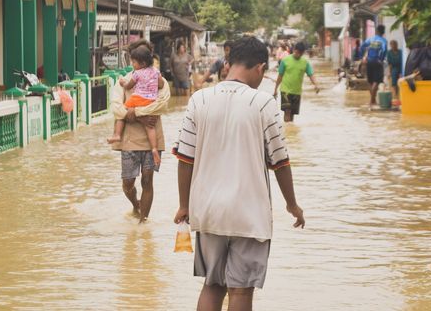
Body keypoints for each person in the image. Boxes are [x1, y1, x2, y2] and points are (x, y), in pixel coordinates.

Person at [173, 37, 305, 311]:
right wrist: (292, 205)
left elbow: (185, 159)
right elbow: (280, 162)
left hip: (208, 210)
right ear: (259, 67)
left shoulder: (199, 99)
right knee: (241, 291)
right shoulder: (264, 104)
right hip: (249, 214)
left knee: (212, 285)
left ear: (229, 62)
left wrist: (184, 204)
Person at [111, 40, 171, 223]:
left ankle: (143, 221)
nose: (133, 64)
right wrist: (140, 116)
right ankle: (136, 205)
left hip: (152, 137)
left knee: (147, 180)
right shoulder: (125, 81)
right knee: (128, 183)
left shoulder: (159, 80)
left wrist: (133, 113)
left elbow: (163, 104)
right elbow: (116, 108)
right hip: (129, 139)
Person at [108, 45, 165, 166]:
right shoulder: (156, 72)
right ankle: (154, 148)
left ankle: (117, 134)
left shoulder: (136, 74)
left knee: (122, 111)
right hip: (150, 102)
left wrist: (123, 83)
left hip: (138, 99)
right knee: (150, 127)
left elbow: (128, 88)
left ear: (142, 62)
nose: (132, 64)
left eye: (133, 61)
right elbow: (161, 86)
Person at [273, 41, 320, 122]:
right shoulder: (285, 60)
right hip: (285, 90)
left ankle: (290, 132)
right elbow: (280, 76)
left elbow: (311, 74)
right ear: (294, 50)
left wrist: (316, 85)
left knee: (292, 114)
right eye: (297, 52)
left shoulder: (305, 63)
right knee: (287, 112)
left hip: (297, 92)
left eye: (300, 53)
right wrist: (275, 89)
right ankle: (287, 132)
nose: (298, 54)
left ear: (302, 53)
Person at [360, 25, 388, 106]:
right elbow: (384, 50)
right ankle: (372, 100)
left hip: (369, 61)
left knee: (370, 81)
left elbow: (362, 47)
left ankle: (373, 100)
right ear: (383, 32)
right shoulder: (383, 40)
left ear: (377, 31)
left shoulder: (370, 39)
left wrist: (363, 57)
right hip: (377, 62)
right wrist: (381, 59)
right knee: (377, 81)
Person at [386, 40, 403, 105]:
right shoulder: (389, 53)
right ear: (390, 46)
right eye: (392, 45)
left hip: (400, 67)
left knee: (399, 75)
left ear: (397, 45)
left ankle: (399, 96)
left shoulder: (400, 52)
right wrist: (389, 73)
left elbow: (402, 62)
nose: (393, 46)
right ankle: (395, 95)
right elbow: (390, 64)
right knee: (394, 73)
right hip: (394, 68)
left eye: (394, 44)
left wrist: (401, 72)